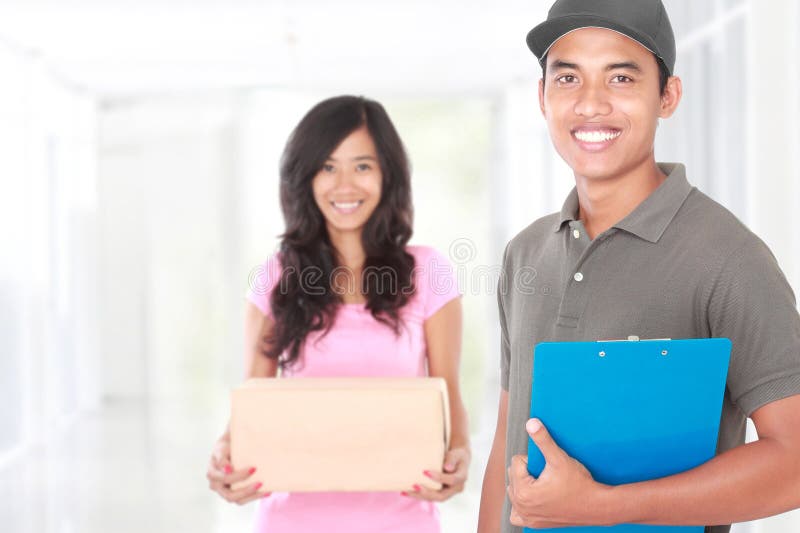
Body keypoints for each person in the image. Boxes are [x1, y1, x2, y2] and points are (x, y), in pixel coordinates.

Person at [477, 1, 800, 532]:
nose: (590, 104)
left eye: (621, 77)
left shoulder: (728, 259)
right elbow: (507, 443)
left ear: (667, 96)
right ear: (542, 97)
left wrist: (605, 505)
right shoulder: (526, 253)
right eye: (568, 78)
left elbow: (794, 461)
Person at [205, 95, 470, 533]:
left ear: (388, 175)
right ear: (304, 177)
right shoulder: (275, 276)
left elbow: (449, 400)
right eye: (327, 167)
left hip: (403, 522)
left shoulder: (430, 272)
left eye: (362, 166)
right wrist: (225, 454)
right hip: (292, 521)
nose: (344, 185)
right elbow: (252, 405)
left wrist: (458, 455)